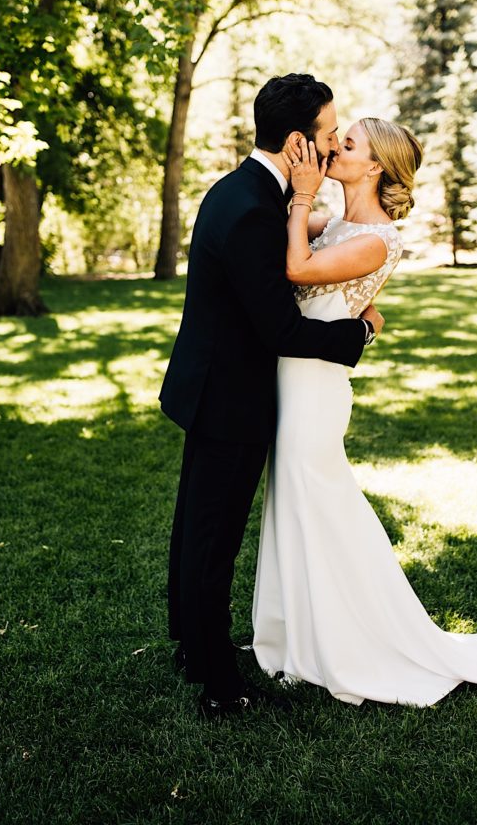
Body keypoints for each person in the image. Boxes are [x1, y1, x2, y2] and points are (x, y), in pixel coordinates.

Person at [252, 117, 477, 705]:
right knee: (294, 498)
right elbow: (279, 236)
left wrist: (305, 199)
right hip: (292, 377)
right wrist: (297, 191)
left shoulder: (379, 238)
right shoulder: (336, 222)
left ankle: (359, 638)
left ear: (373, 167)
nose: (331, 148)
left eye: (346, 144)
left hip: (316, 387)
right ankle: (300, 632)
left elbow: (296, 269)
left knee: (320, 499)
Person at [160, 74, 384, 719]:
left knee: (195, 528)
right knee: (213, 537)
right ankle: (220, 684)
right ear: (297, 142)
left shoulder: (246, 189)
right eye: (327, 135)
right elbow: (281, 328)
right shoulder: (256, 209)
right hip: (231, 396)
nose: (335, 143)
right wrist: (360, 331)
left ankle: (192, 647)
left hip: (211, 383)